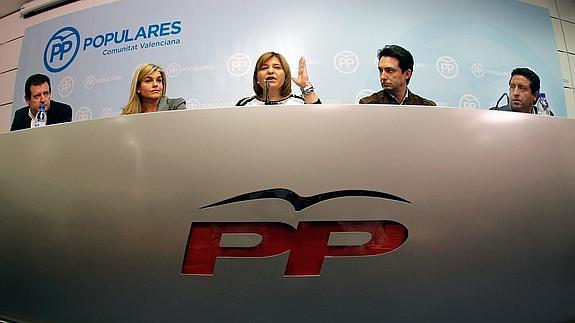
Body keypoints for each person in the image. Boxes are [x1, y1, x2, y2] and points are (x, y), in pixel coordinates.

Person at [359, 45, 435, 106]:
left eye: (389, 70)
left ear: (407, 74)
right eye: (381, 70)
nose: (383, 77)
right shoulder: (368, 105)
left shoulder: (426, 107)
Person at [236, 52, 321, 106]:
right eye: (264, 68)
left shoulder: (300, 103)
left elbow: (319, 123)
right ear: (256, 77)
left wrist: (306, 86)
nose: (270, 71)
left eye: (277, 67)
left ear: (285, 76)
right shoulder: (244, 105)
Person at [121, 63, 186, 115]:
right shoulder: (128, 114)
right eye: (148, 81)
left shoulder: (176, 106)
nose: (155, 84)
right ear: (138, 88)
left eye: (159, 80)